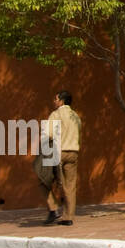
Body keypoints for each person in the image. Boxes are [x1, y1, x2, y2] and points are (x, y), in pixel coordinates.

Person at [44, 90, 82, 226]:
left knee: (44, 180)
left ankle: (53, 209)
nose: (54, 101)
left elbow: (48, 134)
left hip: (58, 152)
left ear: (61, 101)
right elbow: (79, 135)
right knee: (70, 185)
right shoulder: (75, 116)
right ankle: (68, 218)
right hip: (73, 152)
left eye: (55, 99)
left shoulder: (56, 114)